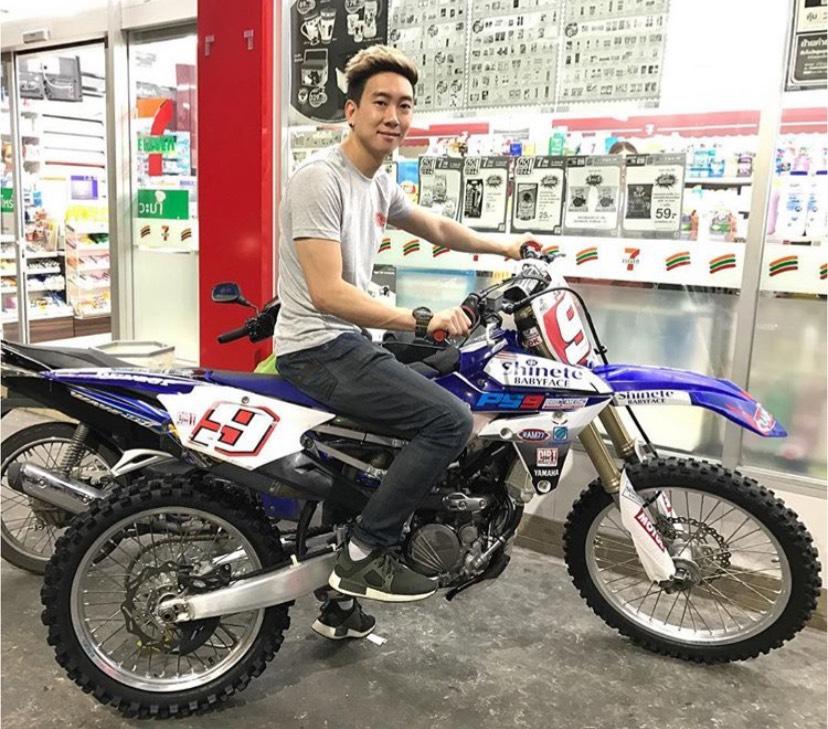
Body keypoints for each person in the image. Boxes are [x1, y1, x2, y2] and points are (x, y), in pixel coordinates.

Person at [275, 45, 533, 639]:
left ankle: (338, 603)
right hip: (319, 347)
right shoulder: (321, 180)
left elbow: (434, 226)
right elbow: (327, 294)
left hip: (348, 340)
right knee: (448, 421)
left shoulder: (377, 180)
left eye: (405, 105)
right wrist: (421, 319)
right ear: (352, 111)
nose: (393, 116)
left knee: (451, 371)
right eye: (380, 103)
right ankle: (367, 552)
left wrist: (506, 247)